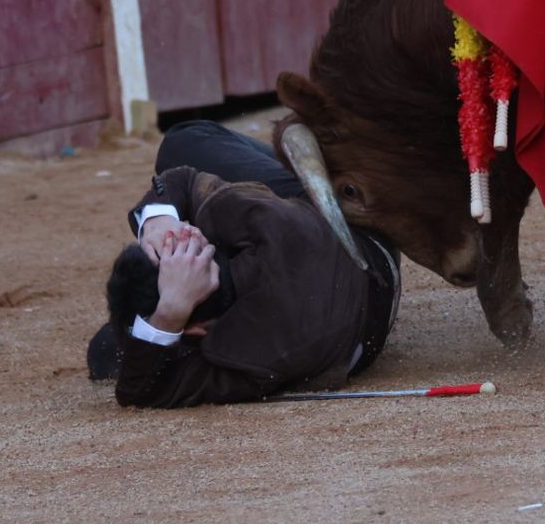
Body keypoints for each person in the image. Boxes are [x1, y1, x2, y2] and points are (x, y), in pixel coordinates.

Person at [87, 121, 403, 409]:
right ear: (201, 236)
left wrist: (169, 313)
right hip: (357, 233)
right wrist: (164, 221)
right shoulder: (259, 221)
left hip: (358, 319)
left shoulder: (247, 355)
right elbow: (184, 177)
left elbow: (140, 390)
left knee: (108, 352)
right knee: (185, 141)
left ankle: (156, 322)